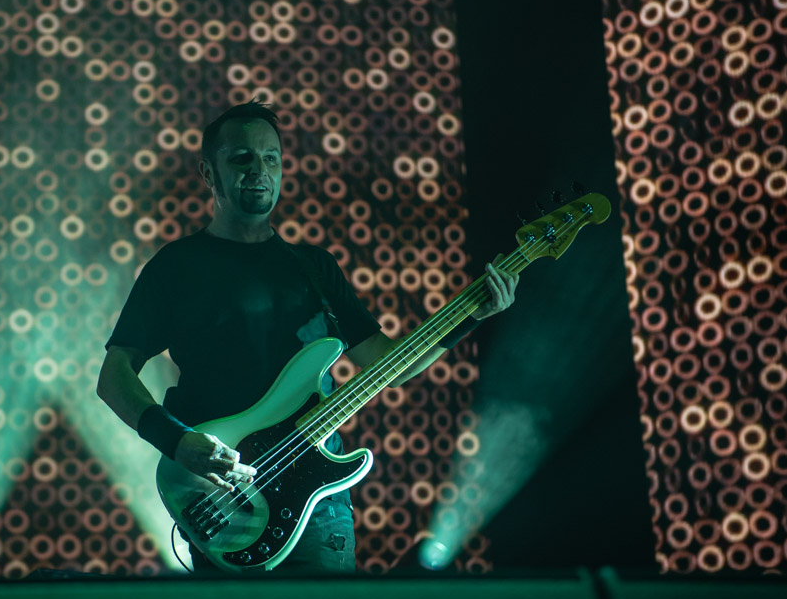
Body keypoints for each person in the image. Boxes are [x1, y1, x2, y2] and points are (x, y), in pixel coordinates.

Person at [96, 100, 518, 573]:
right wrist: (176, 441)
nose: (260, 170)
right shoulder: (175, 268)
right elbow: (114, 377)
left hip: (319, 504)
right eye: (241, 158)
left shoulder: (314, 268)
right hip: (225, 498)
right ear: (208, 173)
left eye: (271, 158)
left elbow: (389, 367)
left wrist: (473, 314)